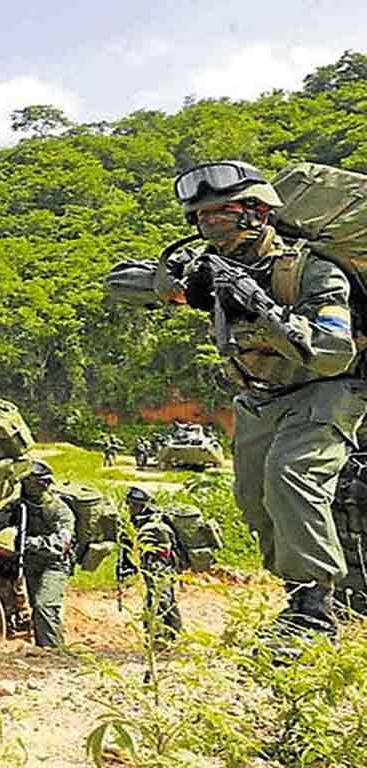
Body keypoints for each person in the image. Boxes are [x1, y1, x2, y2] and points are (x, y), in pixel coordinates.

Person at [107, 160, 365, 642]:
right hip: (259, 397)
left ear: (258, 213)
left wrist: (265, 312)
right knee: (254, 497)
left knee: (292, 475)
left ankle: (314, 610)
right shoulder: (209, 266)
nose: (211, 224)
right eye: (202, 217)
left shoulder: (311, 270)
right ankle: (298, 593)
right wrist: (177, 285)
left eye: (222, 214)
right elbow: (119, 283)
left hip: (326, 391)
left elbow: (334, 351)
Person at [0, 460, 75, 647]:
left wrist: (32, 543)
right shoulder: (20, 506)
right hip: (31, 563)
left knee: (45, 605)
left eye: (29, 481)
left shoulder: (59, 510)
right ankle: (45, 648)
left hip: (54, 564)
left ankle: (53, 651)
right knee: (38, 607)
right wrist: (10, 514)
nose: (25, 484)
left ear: (43, 484)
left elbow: (62, 543)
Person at [117, 486, 182, 644]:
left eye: (134, 504)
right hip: (149, 567)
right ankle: (171, 634)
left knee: (158, 600)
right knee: (164, 600)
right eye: (129, 504)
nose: (130, 507)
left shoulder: (156, 525)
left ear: (144, 506)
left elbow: (165, 551)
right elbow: (125, 549)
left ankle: (158, 637)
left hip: (161, 567)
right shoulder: (134, 522)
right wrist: (125, 569)